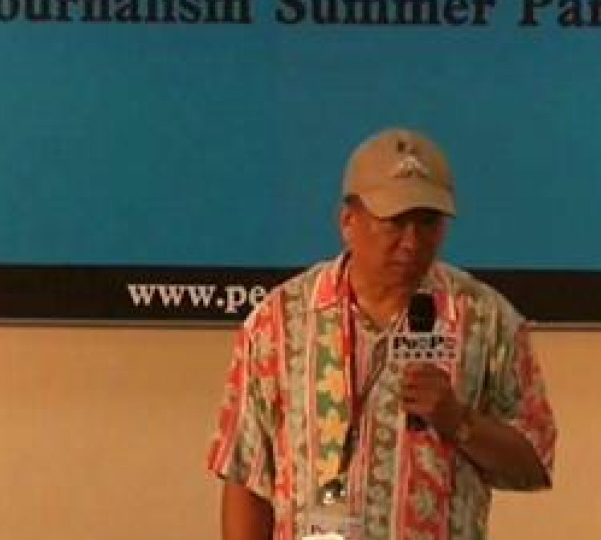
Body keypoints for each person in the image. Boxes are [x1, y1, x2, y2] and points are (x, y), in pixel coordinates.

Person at [206, 127, 557, 540]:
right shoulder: (278, 322)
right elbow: (246, 474)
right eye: (395, 222)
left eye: (428, 223)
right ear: (347, 221)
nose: (412, 242)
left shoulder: (487, 320)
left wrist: (460, 421)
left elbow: (534, 462)